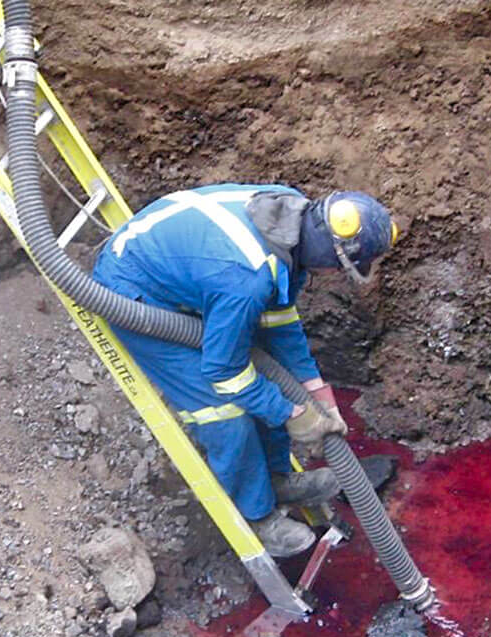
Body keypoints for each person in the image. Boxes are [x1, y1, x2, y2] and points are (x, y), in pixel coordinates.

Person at [92, 184, 398, 557]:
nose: (335, 272)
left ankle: (276, 479)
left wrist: (316, 392)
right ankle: (257, 516)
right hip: (133, 295)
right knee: (225, 409)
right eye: (339, 265)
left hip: (186, 273)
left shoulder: (291, 221)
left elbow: (281, 319)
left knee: (270, 382)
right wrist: (289, 413)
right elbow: (224, 371)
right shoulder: (246, 278)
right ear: (326, 250)